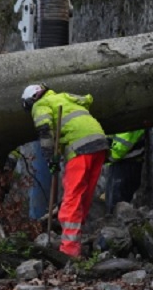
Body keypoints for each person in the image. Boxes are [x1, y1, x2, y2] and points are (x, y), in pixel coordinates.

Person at [21, 84, 109, 258]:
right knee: (84, 196)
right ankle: (78, 239)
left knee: (72, 198)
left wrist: (49, 159)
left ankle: (69, 250)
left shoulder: (41, 105)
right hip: (99, 144)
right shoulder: (65, 97)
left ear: (32, 100)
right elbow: (85, 104)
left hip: (79, 148)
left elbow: (45, 132)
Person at [105, 129, 146, 214]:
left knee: (117, 203)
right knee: (115, 202)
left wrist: (106, 157)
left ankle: (115, 224)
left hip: (125, 163)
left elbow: (121, 147)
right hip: (126, 162)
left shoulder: (130, 121)